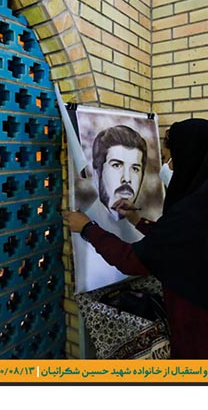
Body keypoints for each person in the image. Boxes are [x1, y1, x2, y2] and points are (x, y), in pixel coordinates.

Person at [64, 118, 208, 359]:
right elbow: (186, 245)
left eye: (172, 160)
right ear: (98, 168)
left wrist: (88, 229)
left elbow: (133, 260)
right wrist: (138, 221)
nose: (167, 167)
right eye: (117, 165)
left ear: (191, 161)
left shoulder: (193, 213)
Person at [74, 125, 149, 292]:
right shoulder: (82, 225)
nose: (127, 179)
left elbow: (132, 262)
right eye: (116, 165)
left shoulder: (141, 235)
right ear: (97, 172)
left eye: (135, 169)